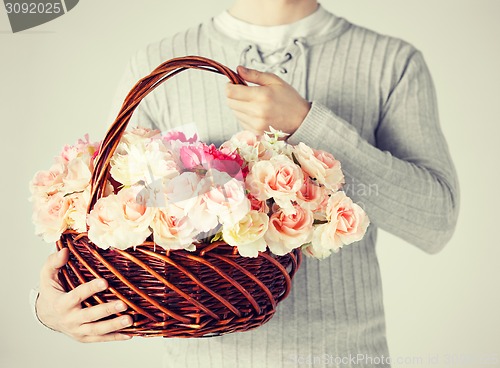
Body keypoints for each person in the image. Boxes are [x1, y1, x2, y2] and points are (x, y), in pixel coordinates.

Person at [31, 0, 460, 366]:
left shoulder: (392, 62)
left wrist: (307, 125)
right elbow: (105, 220)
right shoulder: (156, 64)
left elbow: (436, 222)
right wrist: (49, 309)